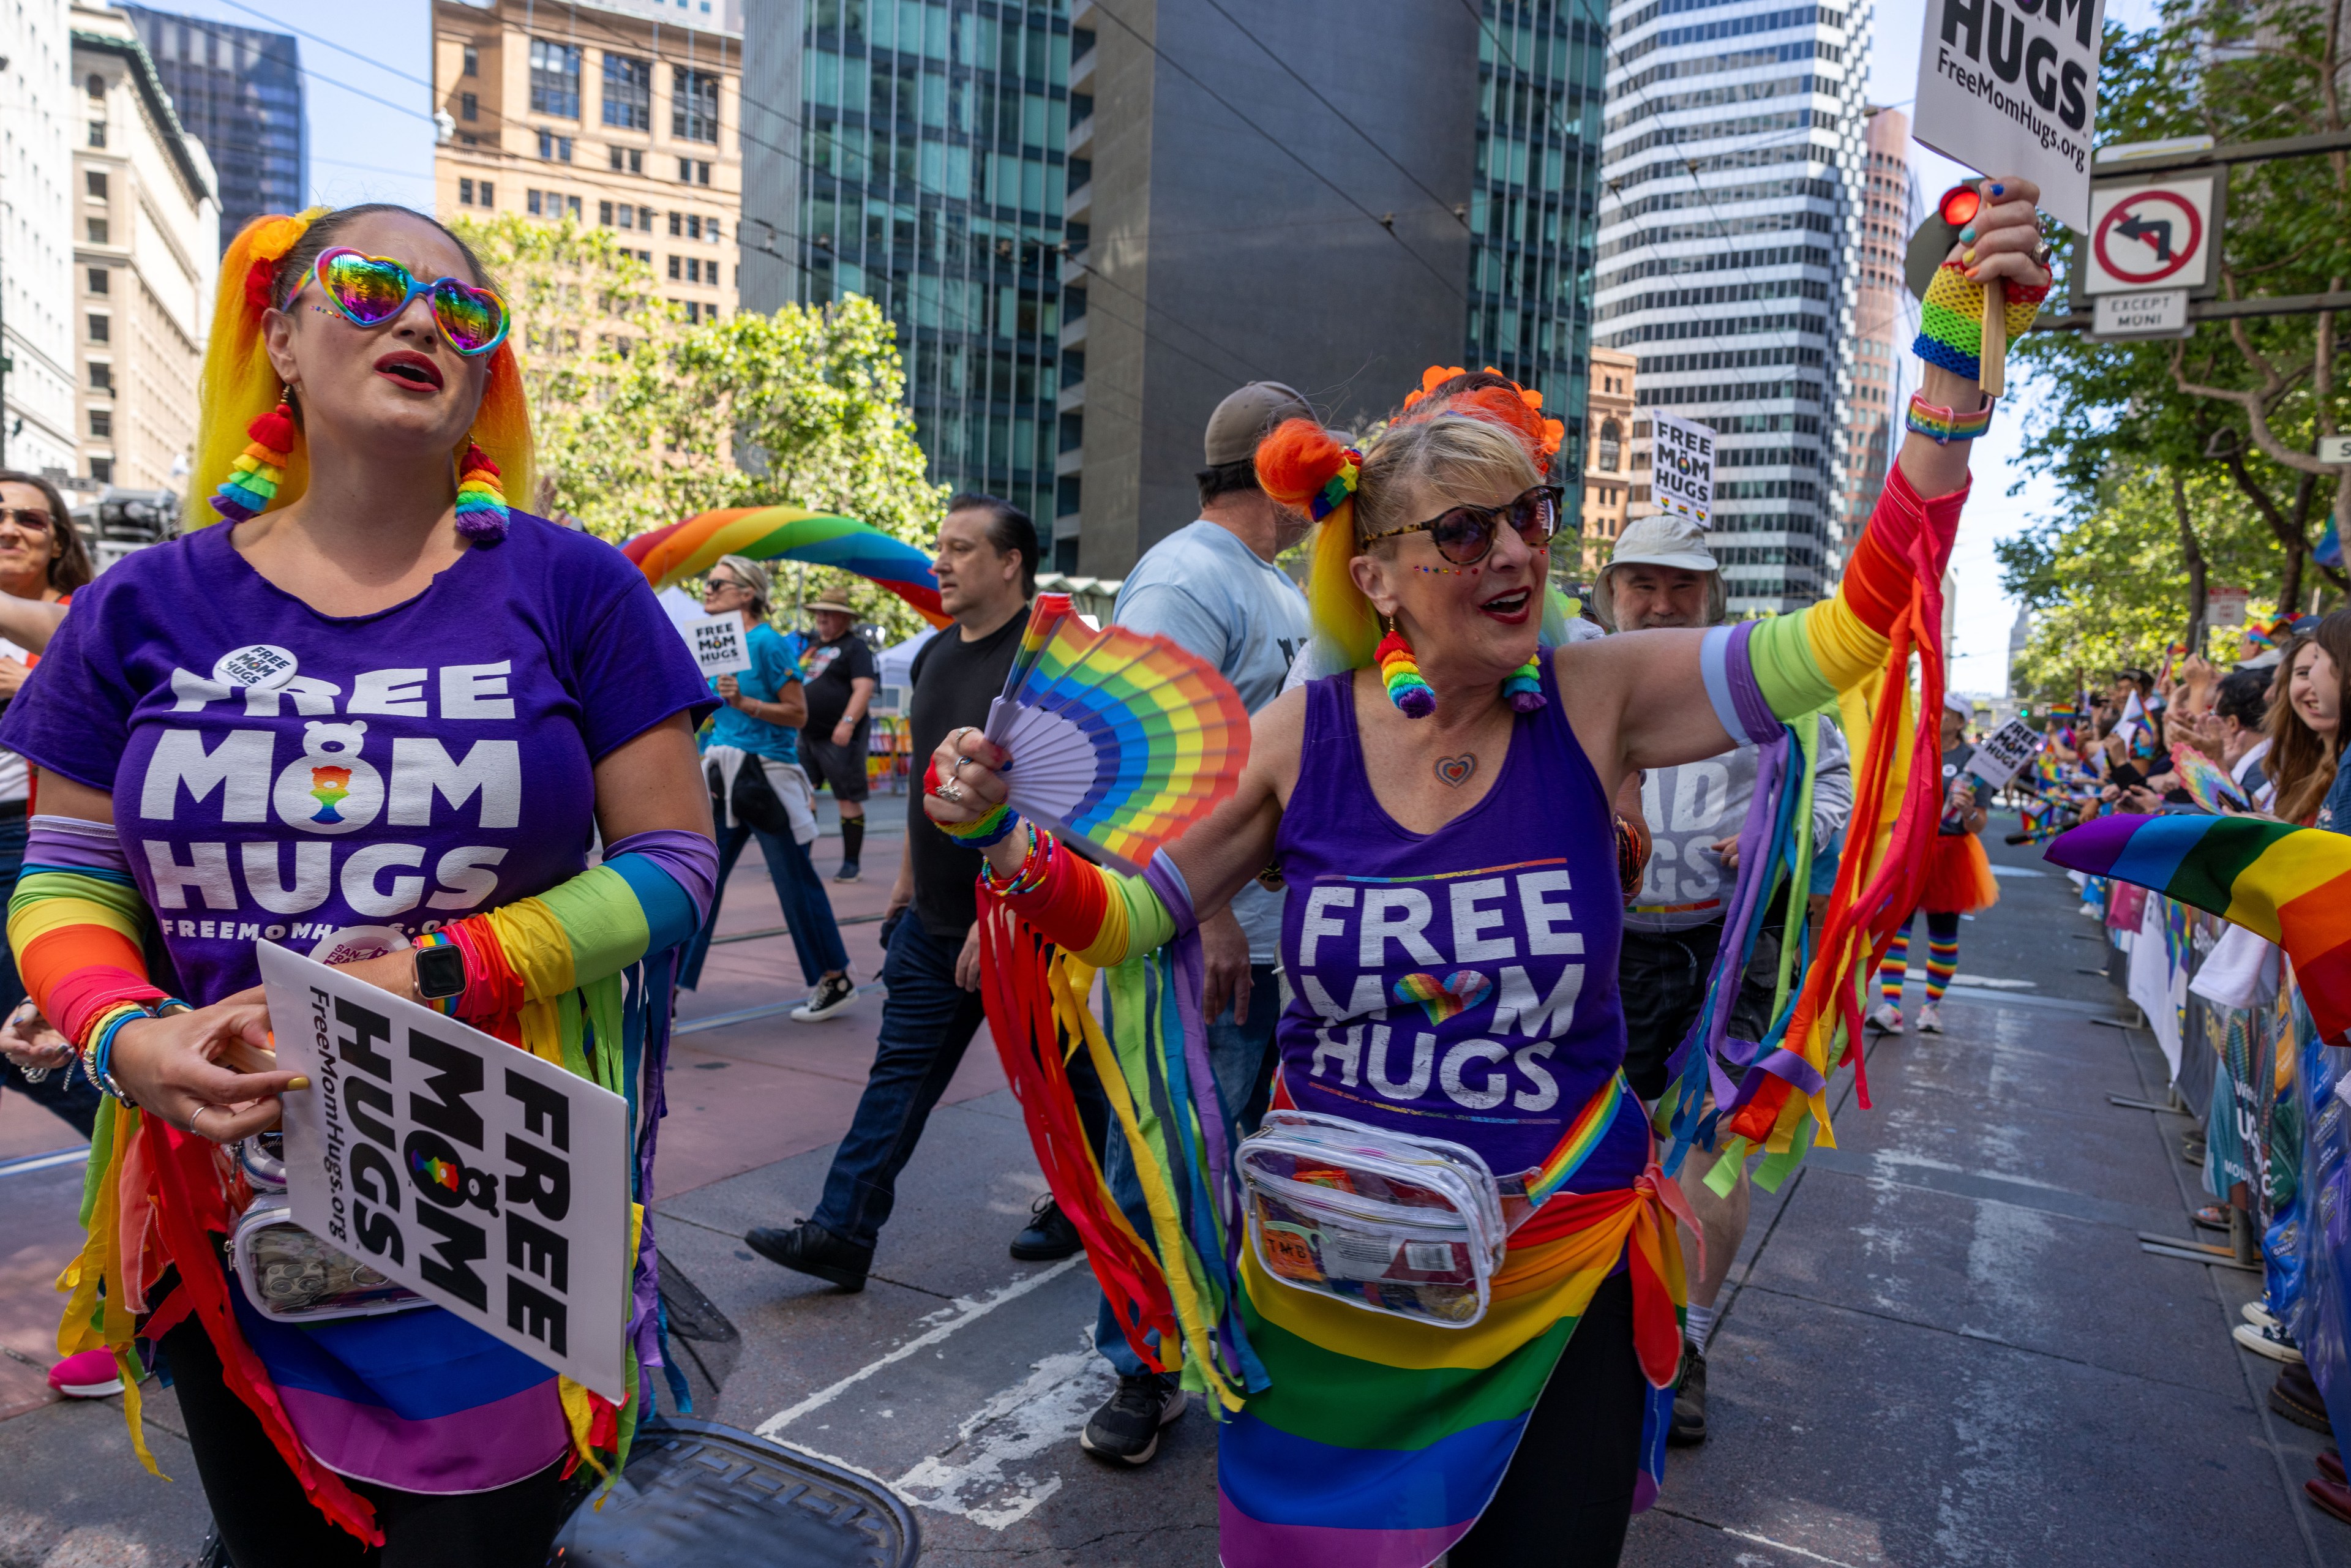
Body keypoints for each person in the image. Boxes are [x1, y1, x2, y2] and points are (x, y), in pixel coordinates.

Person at [929, 176, 2049, 1567]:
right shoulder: (1301, 735)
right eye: (1464, 530)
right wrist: (1005, 844)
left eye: (1528, 514)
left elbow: (1854, 627)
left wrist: (1947, 369)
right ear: (1382, 577)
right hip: (1330, 1292)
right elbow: (1125, 917)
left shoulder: (1600, 696)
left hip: (1555, 1277)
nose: (1515, 548)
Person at [0, 204, 717, 1565]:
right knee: (275, 1542)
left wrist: (443, 968)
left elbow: (676, 859)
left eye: (466, 310)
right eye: (376, 284)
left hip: (484, 1189)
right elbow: (67, 876)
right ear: (279, 333)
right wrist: (123, 1031)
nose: (425, 320)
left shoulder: (576, 587)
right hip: (220, 1200)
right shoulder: (142, 604)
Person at [1074, 380, 1316, 1463]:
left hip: (1270, 944)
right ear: (1277, 466)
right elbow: (1143, 756)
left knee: (1228, 1154)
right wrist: (1211, 908)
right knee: (1169, 1151)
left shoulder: (1270, 584)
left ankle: (1203, 1337)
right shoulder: (1183, 575)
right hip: (1198, 938)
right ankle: (1142, 1366)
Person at [1592, 511, 1851, 1448]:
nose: (1662, 603)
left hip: (1731, 948)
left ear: (1713, 592)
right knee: (1591, 1131)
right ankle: (1584, 1322)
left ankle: (1690, 1344)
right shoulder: (1568, 673)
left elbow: (1833, 788)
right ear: (1610, 592)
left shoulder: (1762, 674)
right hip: (1604, 946)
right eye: (1642, 585)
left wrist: (1782, 841)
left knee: (1713, 1134)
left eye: (1682, 585)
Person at [745, 493, 1038, 1291]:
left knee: (1072, 1088)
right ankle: (841, 1232)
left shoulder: (1045, 659)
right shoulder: (939, 656)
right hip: (933, 924)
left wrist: (1001, 915)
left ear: (1010, 562)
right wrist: (905, 890)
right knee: (896, 1081)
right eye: (937, 545)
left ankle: (1094, 1215)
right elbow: (925, 792)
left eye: (962, 549)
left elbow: (1057, 803)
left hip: (1022, 926)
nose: (938, 562)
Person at [677, 557, 857, 1022]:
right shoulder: (713, 642)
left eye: (718, 582)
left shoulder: (768, 643)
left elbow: (798, 713)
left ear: (747, 593)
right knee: (699, 879)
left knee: (793, 881)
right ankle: (668, 988)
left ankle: (834, 978)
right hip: (723, 774)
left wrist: (746, 702)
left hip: (766, 777)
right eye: (707, 580)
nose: (709, 589)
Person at [0, 471, 100, 1146]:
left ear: (58, 539)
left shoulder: (87, 616)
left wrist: (31, 682)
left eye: (30, 519)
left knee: (36, 1026)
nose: (9, 527)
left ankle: (131, 1153)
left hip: (28, 846)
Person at [1870, 693, 1997, 1035]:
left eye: (1946, 713)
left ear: (1960, 722)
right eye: (1934, 709)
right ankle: (1891, 1007)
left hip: (1949, 853)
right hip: (1907, 849)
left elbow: (1979, 823)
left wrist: (1968, 809)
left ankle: (1931, 1008)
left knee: (1943, 935)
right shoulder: (1911, 747)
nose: (1936, 716)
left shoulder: (1975, 762)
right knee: (1895, 927)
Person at [797, 595, 879, 883]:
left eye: (829, 614)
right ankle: (801, 860)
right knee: (803, 795)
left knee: (847, 796)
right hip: (807, 734)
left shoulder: (856, 648)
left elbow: (864, 688)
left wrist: (847, 723)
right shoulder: (812, 647)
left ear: (844, 619)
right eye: (819, 613)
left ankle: (850, 864)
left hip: (840, 735)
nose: (821, 618)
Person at [2265, 626, 2341, 826]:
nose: (2315, 685)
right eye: (2304, 673)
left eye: (2335, 671)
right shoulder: (2302, 759)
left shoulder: (2346, 768)